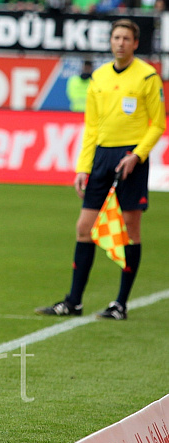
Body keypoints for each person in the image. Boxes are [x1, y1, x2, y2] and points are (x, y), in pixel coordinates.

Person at [36, 19, 165, 320]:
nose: (120, 42)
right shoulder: (99, 77)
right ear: (110, 41)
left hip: (131, 157)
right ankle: (73, 302)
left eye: (126, 38)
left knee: (130, 230)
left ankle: (120, 303)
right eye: (116, 37)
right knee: (84, 228)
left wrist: (137, 155)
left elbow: (158, 124)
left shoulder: (147, 77)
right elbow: (91, 127)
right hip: (101, 159)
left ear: (135, 43)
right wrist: (83, 167)